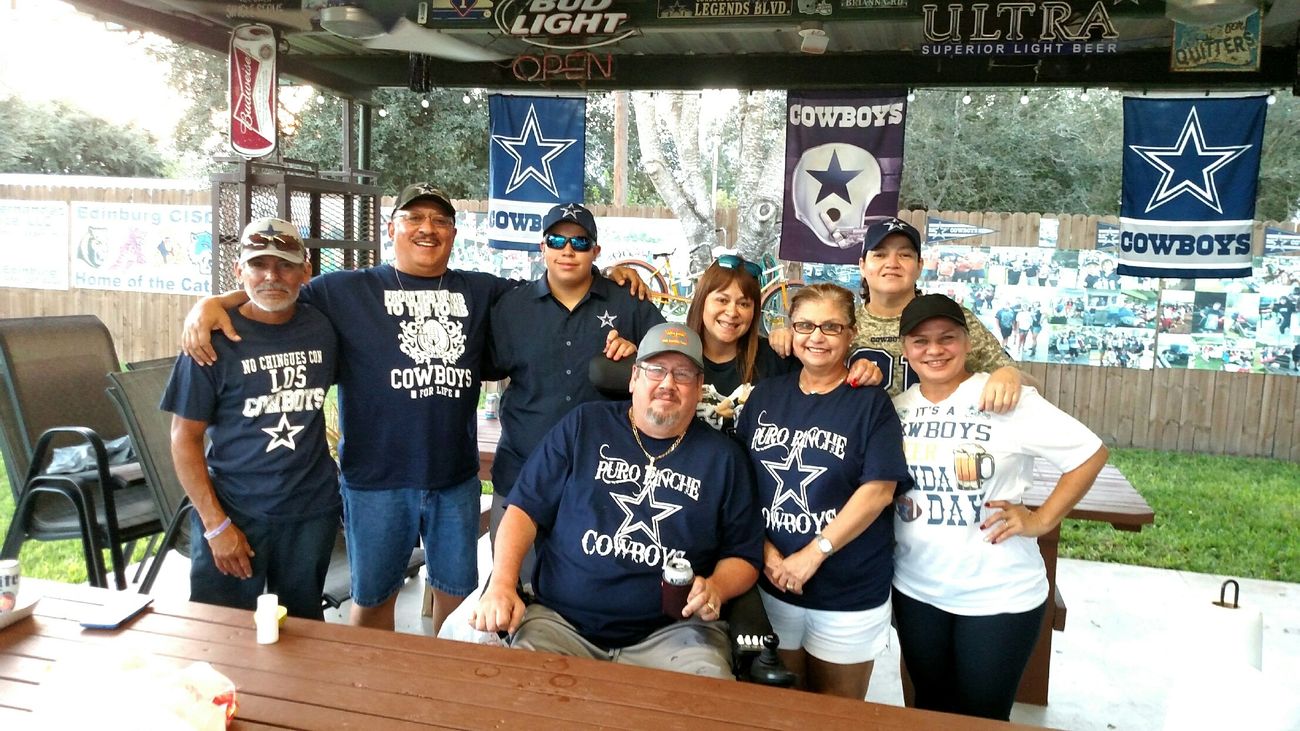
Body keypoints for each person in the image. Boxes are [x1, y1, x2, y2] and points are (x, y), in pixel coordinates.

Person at [180, 184, 645, 634]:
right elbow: (278, 288)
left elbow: (560, 283)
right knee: (372, 603)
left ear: (454, 234)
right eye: (414, 217)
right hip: (375, 482)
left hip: (454, 481)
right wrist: (213, 303)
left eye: (440, 220)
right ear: (391, 228)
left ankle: (440, 686)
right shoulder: (345, 290)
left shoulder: (484, 290)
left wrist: (614, 276)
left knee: (458, 606)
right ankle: (375, 686)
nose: (427, 228)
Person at [471, 324, 763, 678]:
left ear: (699, 388)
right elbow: (524, 510)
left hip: (676, 635)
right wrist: (502, 583)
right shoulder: (583, 426)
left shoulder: (725, 458)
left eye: (683, 374)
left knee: (708, 698)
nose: (667, 383)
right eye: (655, 370)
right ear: (634, 378)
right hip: (561, 625)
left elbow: (743, 555)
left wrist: (716, 587)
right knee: (518, 691)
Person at [891, 294, 1107, 721]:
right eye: (920, 341)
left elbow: (1089, 453)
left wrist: (1041, 519)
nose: (934, 350)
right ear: (905, 349)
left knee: (983, 717)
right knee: (928, 710)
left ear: (967, 342)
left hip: (998, 594)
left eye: (947, 338)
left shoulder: (1004, 398)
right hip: (917, 590)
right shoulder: (897, 409)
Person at [735, 283, 910, 699]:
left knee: (837, 713)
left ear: (851, 334)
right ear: (791, 330)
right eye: (805, 325)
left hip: (847, 593)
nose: (817, 336)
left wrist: (813, 555)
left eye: (831, 327)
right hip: (773, 585)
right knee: (783, 706)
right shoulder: (766, 395)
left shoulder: (871, 403)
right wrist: (767, 555)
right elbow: (741, 485)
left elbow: (878, 491)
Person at [162, 217, 339, 619]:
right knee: (221, 631)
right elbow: (184, 438)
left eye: (285, 265)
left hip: (311, 511)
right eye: (258, 264)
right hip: (235, 510)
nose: (271, 276)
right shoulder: (211, 341)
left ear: (306, 271)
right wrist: (216, 525)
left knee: (303, 628)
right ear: (238, 270)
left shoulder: (323, 327)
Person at [487, 202, 663, 562]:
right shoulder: (512, 307)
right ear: (542, 247)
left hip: (606, 482)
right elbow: (482, 367)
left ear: (595, 251)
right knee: (513, 584)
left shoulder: (629, 302)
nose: (568, 250)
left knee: (592, 585)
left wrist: (639, 357)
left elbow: (669, 365)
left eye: (580, 242)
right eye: (557, 240)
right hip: (522, 474)